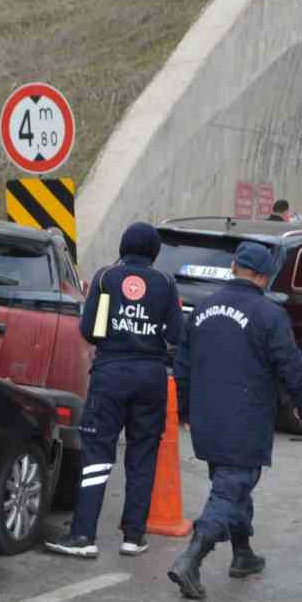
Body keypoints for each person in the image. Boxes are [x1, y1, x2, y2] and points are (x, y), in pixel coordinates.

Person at [170, 241, 302, 600]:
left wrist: (186, 410)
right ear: (265, 277)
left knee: (232, 485)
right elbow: (291, 365)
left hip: (207, 417)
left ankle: (242, 553)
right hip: (245, 418)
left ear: (234, 267)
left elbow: (182, 365)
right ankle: (191, 559)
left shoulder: (202, 309)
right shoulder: (269, 315)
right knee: (232, 486)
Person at [44, 222, 183, 560]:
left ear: (123, 246)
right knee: (143, 455)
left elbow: (91, 329)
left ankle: (83, 535)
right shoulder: (166, 283)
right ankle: (133, 537)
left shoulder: (107, 278)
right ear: (155, 252)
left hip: (111, 376)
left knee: (97, 452)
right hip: (151, 377)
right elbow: (176, 335)